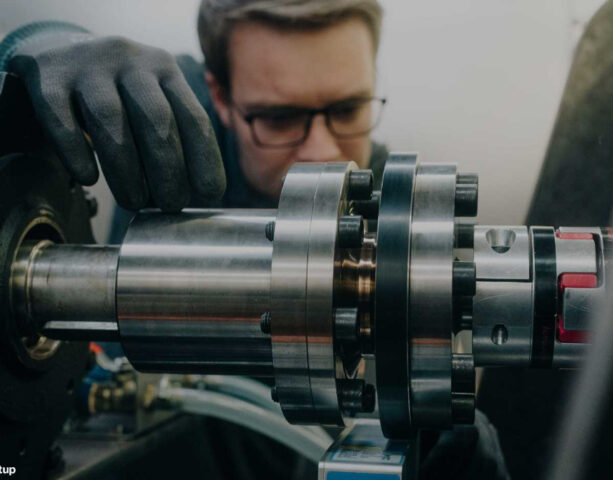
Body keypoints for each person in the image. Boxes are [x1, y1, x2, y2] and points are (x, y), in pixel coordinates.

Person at [0, 1, 508, 479]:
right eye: (280, 118)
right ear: (220, 97)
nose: (325, 152)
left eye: (349, 109)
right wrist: (40, 43)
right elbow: (38, 60)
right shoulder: (166, 115)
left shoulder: (385, 210)